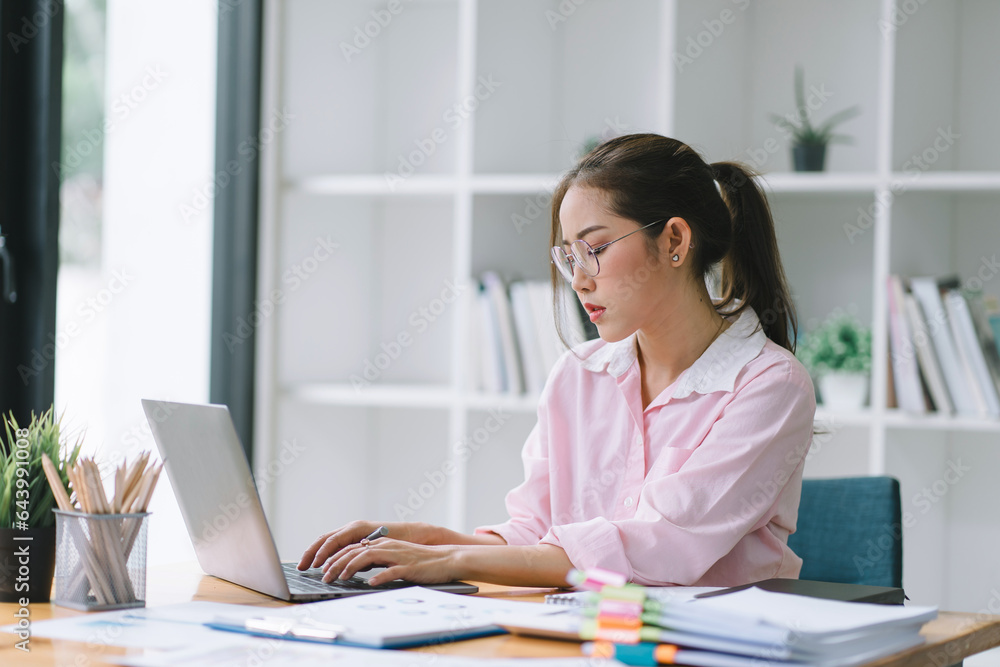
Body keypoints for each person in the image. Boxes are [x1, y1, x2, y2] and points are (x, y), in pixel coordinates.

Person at [298, 133, 816, 588]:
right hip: (588, 639)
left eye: (595, 248)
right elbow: (536, 536)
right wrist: (430, 541)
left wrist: (454, 560)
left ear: (675, 240)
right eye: (568, 255)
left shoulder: (769, 385)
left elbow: (661, 545)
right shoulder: (579, 375)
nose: (579, 279)